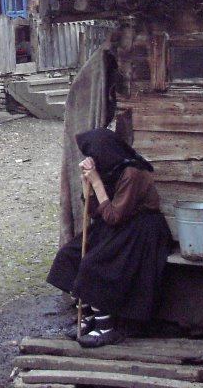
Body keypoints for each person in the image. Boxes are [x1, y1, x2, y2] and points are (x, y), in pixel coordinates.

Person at [46, 127, 172, 347]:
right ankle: (87, 319)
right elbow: (96, 211)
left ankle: (107, 329)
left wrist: (96, 182)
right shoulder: (110, 169)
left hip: (142, 230)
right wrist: (88, 187)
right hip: (117, 226)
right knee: (69, 255)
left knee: (95, 264)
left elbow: (114, 215)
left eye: (92, 154)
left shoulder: (133, 173)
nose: (91, 160)